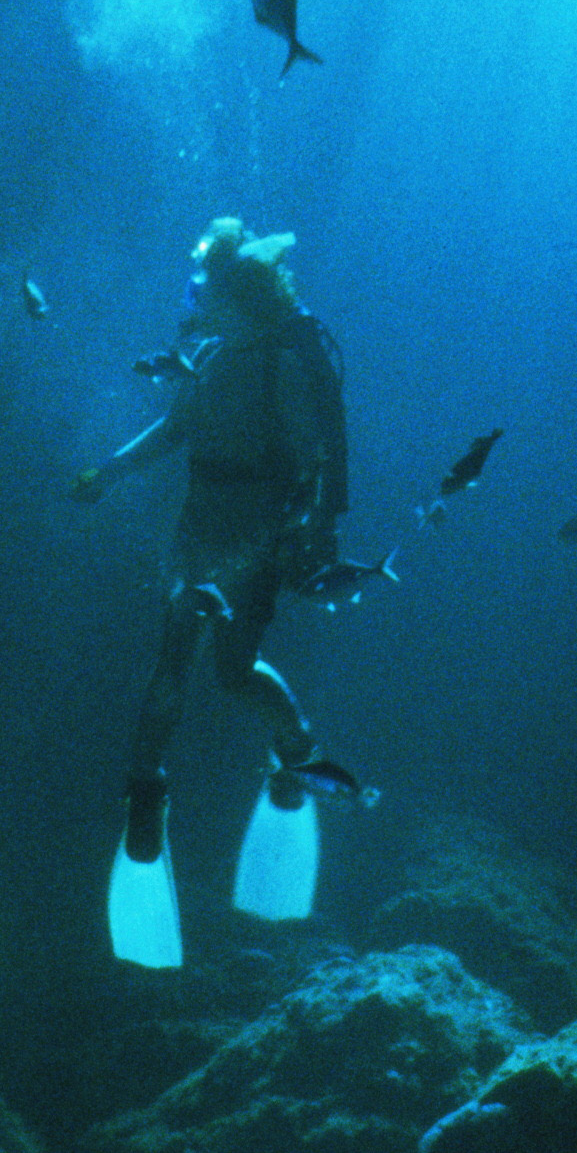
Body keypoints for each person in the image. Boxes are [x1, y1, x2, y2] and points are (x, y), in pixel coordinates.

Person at [71, 218, 351, 952]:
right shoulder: (215, 357)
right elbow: (173, 430)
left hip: (249, 534)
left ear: (238, 294)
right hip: (201, 524)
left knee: (228, 671)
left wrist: (303, 531)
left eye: (205, 287)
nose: (194, 297)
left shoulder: (276, 365)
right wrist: (109, 470)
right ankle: (145, 790)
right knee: (173, 655)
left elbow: (310, 456)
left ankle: (295, 744)